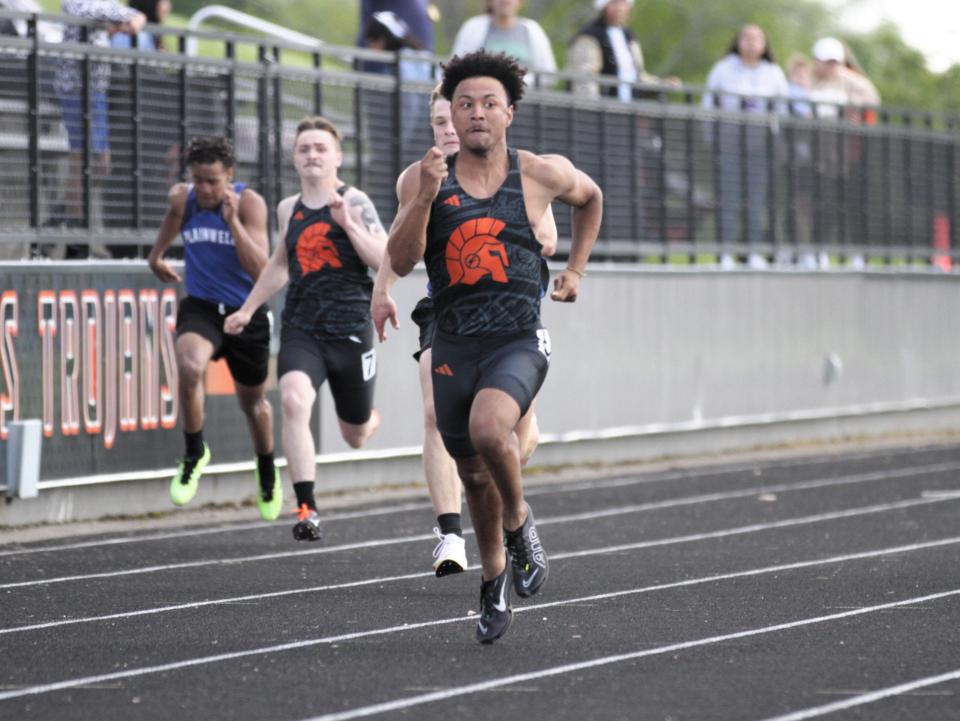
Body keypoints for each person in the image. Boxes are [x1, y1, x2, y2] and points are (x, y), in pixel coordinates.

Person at [388, 50, 602, 643]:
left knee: (490, 431)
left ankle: (519, 519)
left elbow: (592, 199)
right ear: (449, 115)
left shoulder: (539, 173)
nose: (476, 114)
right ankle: (493, 577)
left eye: (488, 104)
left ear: (509, 112)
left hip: (517, 336)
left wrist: (577, 271)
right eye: (464, 104)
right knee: (473, 476)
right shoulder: (420, 176)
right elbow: (402, 260)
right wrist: (425, 198)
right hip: (455, 339)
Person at [371, 84, 556, 577]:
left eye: (455, 120)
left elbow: (551, 236)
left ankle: (505, 501)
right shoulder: (421, 178)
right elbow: (399, 245)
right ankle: (451, 531)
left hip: (513, 317)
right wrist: (382, 290)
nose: (450, 130)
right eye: (440, 123)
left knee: (512, 434)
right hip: (446, 309)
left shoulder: (516, 170)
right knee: (434, 411)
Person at [224, 117, 386, 542]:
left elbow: (383, 257)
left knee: (355, 436)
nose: (312, 155)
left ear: (337, 157)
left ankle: (368, 419)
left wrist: (348, 224)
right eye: (304, 149)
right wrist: (247, 309)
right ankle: (307, 507)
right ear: (295, 158)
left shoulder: (358, 201)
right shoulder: (288, 207)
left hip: (350, 331)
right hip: (303, 329)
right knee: (294, 400)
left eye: (320, 148)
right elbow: (280, 264)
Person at [147, 136, 281, 520]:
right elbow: (170, 225)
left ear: (230, 177)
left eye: (213, 181)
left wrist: (233, 222)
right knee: (189, 365)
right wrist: (156, 257)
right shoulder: (182, 198)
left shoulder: (250, 203)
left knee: (252, 402)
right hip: (203, 306)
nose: (204, 189)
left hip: (246, 311)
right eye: (198, 180)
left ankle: (267, 469)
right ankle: (194, 452)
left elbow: (262, 269)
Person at [56, 0, 146, 250]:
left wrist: (119, 24)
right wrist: (131, 16)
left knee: (100, 163)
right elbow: (89, 10)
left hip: (95, 90)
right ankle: (75, 231)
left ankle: (59, 217)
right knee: (82, 155)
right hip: (75, 87)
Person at [701, 24, 788, 268]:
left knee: (756, 197)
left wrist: (777, 140)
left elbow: (782, 110)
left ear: (764, 44)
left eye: (756, 38)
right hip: (729, 137)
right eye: (746, 38)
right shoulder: (723, 69)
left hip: (760, 141)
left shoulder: (773, 72)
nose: (751, 43)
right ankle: (726, 251)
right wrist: (712, 138)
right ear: (738, 42)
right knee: (729, 195)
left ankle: (752, 251)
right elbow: (709, 104)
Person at [567, 0, 679, 101]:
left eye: (623, 3)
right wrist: (593, 110)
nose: (619, 8)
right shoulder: (589, 37)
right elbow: (585, 78)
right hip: (602, 113)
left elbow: (637, 76)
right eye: (614, 2)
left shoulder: (629, 37)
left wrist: (661, 85)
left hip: (627, 112)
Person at [450, 0, 556, 87]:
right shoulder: (472, 27)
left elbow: (548, 74)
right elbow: (457, 67)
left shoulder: (533, 30)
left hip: (526, 103)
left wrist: (518, 82)